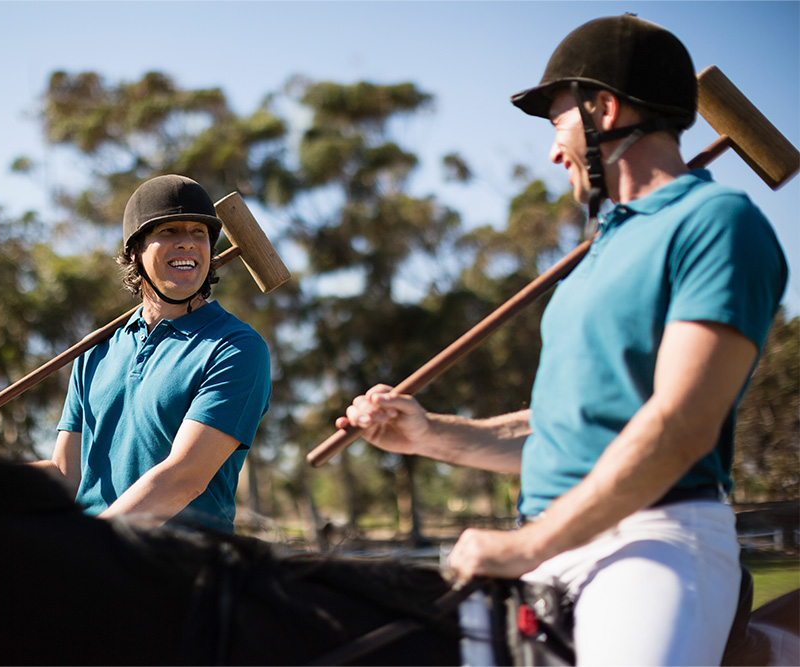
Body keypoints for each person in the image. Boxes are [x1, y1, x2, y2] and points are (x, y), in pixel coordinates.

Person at [335, 15, 788, 665]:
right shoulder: (598, 253)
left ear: (604, 109)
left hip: (651, 540)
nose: (553, 152)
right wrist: (429, 433)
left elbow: (680, 425)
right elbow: (559, 430)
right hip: (549, 545)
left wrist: (524, 545)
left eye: (557, 124)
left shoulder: (717, 223)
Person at [0, 174, 272, 533]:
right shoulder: (97, 351)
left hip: (180, 576)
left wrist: (86, 549)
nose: (189, 244)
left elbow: (183, 478)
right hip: (95, 570)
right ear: (135, 251)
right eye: (169, 231)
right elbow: (66, 475)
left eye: (199, 233)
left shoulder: (236, 347)